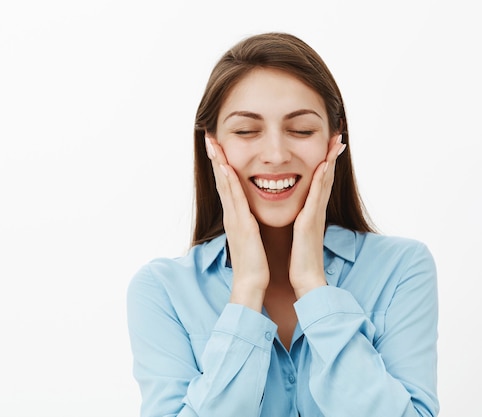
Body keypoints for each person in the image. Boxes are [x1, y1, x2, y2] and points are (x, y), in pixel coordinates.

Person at [126, 32, 439, 417]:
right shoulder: (162, 291)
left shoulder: (402, 268)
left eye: (301, 130)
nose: (275, 154)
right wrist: (246, 290)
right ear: (211, 144)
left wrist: (312, 285)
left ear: (335, 138)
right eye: (245, 131)